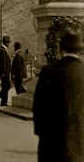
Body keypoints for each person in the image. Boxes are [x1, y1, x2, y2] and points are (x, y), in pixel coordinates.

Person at [33, 29, 84, 162]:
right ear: (80, 51)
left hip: (52, 143)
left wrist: (43, 135)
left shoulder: (48, 71)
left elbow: (38, 108)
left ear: (61, 50)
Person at [0, 35, 11, 106]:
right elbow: (2, 62)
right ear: (5, 43)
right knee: (8, 86)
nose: (9, 44)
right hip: (4, 72)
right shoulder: (2, 50)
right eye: (8, 42)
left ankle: (4, 102)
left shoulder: (3, 50)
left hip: (5, 72)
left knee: (4, 86)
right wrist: (3, 73)